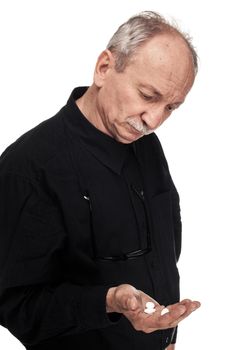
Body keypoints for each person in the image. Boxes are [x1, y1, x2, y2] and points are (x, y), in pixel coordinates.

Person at [0, 11, 200, 350]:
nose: (154, 120)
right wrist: (107, 301)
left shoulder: (145, 143)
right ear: (104, 68)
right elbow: (16, 306)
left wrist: (166, 335)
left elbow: (164, 252)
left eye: (171, 107)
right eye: (148, 95)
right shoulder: (29, 167)